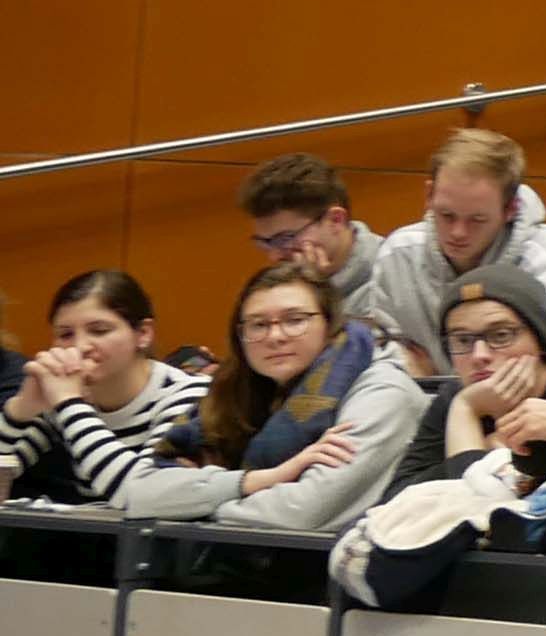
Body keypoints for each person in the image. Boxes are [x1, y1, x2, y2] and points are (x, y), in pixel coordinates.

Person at [128, 264, 418, 530]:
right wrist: (260, 480)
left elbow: (303, 511)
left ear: (330, 326)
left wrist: (193, 504)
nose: (275, 336)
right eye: (258, 324)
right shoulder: (233, 392)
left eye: (295, 320)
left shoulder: (383, 392)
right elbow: (140, 492)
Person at [354, 129, 546, 371]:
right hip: (421, 398)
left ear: (511, 209)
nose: (458, 232)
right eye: (447, 215)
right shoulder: (398, 254)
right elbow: (382, 348)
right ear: (429, 195)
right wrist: (399, 361)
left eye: (477, 219)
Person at [0, 271, 199, 505]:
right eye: (65, 334)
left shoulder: (189, 395)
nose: (80, 346)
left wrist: (69, 404)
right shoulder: (66, 398)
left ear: (143, 334)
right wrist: (19, 410)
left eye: (99, 330)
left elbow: (141, 494)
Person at [237, 152, 385, 306]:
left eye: (285, 238)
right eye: (264, 243)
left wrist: (317, 295)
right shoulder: (283, 290)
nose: (274, 256)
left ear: (335, 220)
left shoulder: (394, 280)